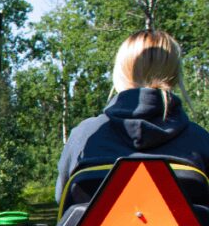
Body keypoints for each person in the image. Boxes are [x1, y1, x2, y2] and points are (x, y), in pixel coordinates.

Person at [55, 29, 209, 203]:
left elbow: (63, 201)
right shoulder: (201, 141)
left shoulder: (84, 136)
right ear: (174, 76)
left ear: (120, 73)